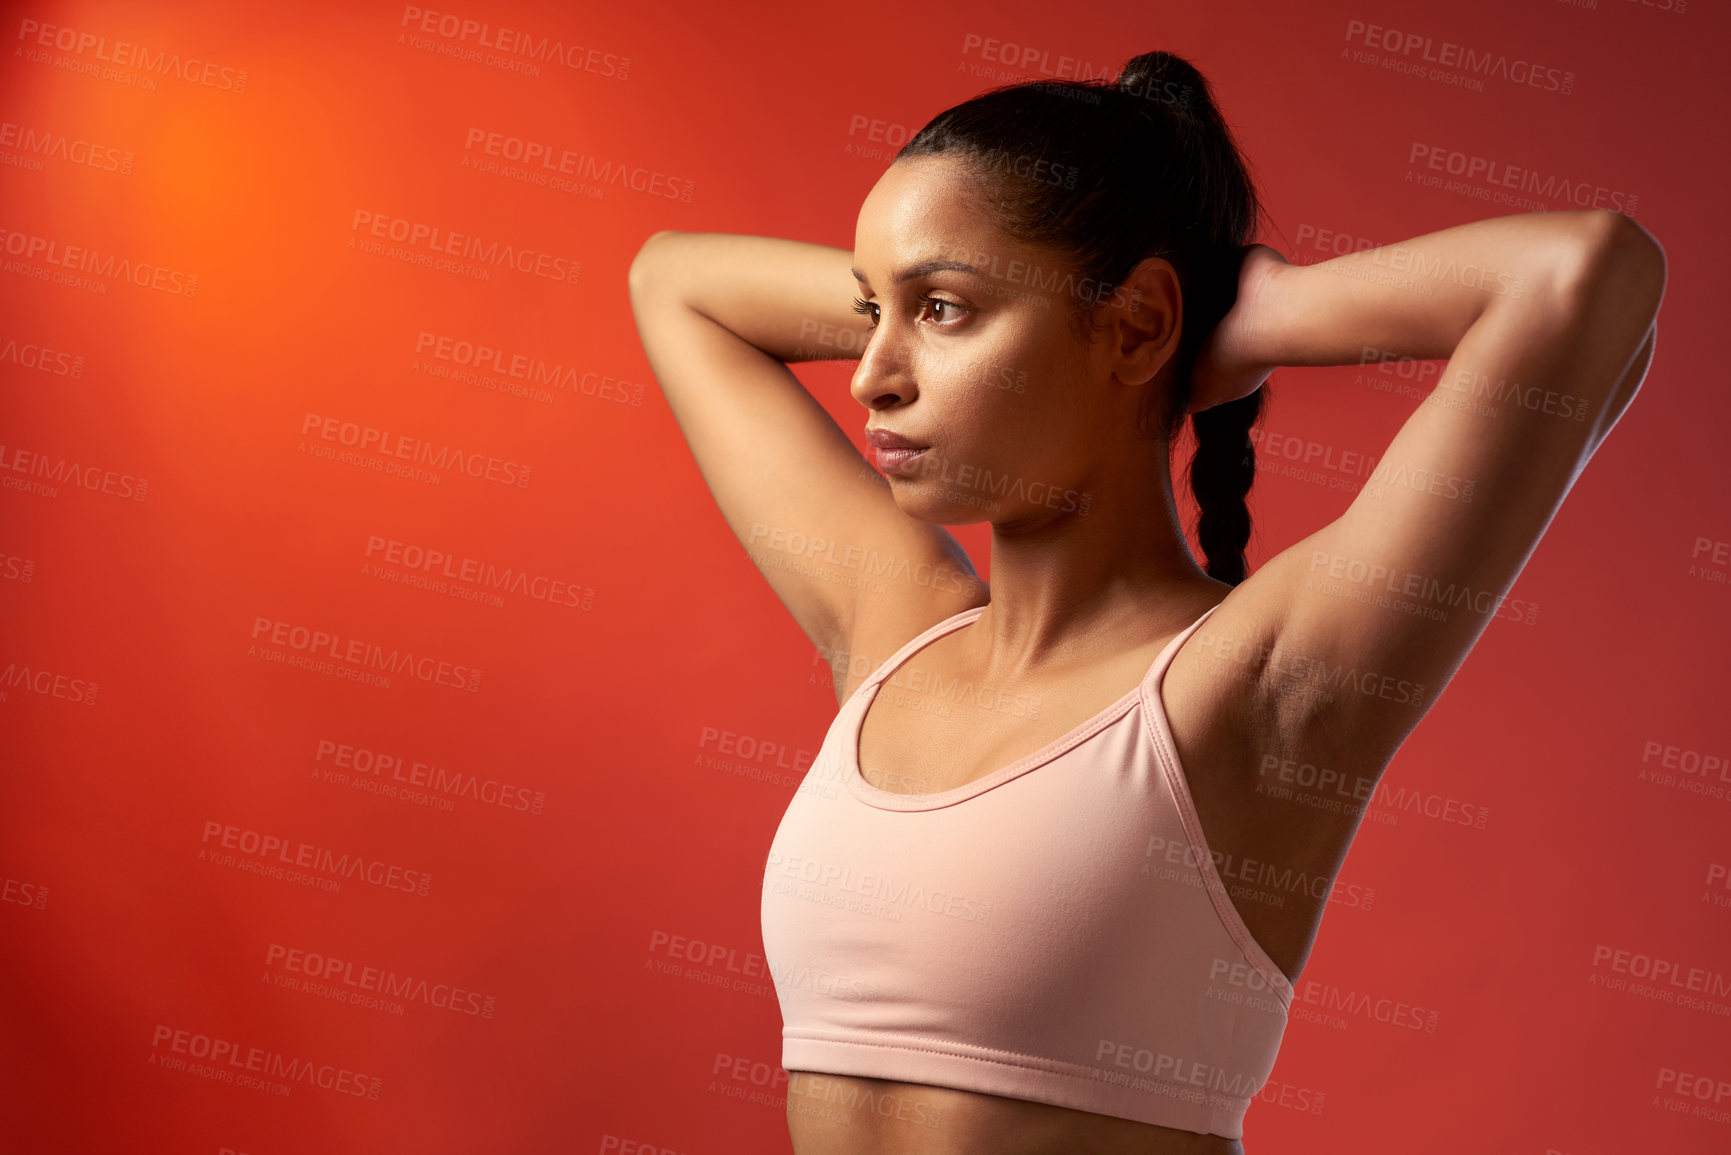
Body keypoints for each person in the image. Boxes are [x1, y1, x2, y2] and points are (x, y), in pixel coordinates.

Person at [627, 49, 1664, 1155]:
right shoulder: (900, 629)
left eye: (941, 311)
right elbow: (672, 281)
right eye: (868, 312)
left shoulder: (1251, 683)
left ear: (1137, 325)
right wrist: (930, 293)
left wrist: (1259, 318)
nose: (872, 373)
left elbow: (1584, 274)